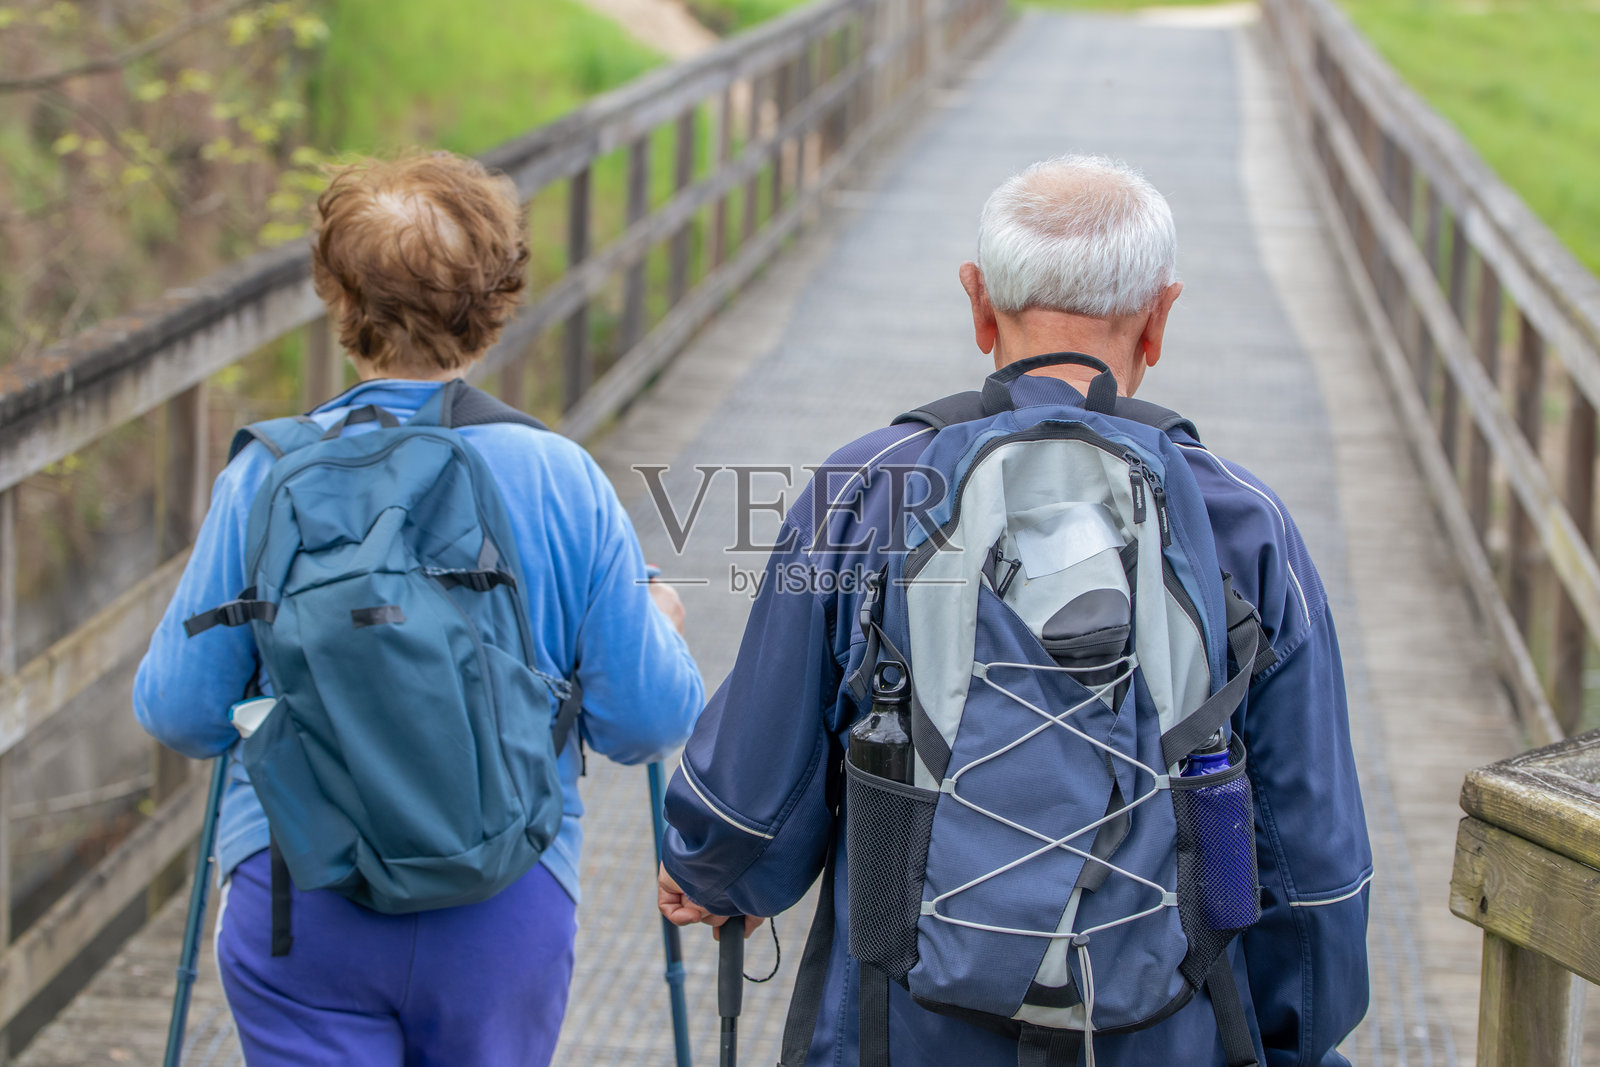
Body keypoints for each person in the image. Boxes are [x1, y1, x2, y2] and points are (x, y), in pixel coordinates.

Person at [658, 155, 1371, 1064]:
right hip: (1172, 1034)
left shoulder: (864, 491)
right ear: (1160, 317)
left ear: (979, 302)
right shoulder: (1245, 524)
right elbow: (1314, 862)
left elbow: (754, 794)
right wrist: (1288, 1033)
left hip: (897, 1034)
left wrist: (711, 872)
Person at [135, 151, 704, 1066]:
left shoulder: (264, 475)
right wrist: (660, 627)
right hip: (503, 897)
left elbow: (181, 711)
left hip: (300, 897)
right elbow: (645, 721)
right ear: (499, 295)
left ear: (336, 293)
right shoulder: (561, 477)